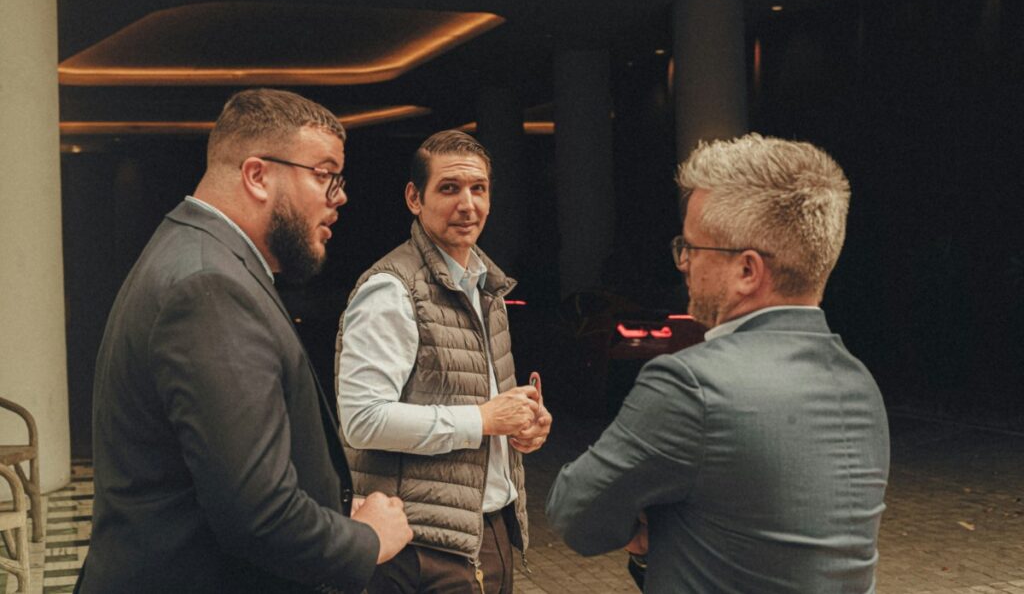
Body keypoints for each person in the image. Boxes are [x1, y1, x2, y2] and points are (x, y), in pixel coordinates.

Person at [78, 89, 412, 594]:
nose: (339, 196)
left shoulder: (198, 254)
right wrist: (366, 538)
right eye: (324, 174)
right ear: (258, 176)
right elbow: (259, 514)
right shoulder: (211, 285)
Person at [546, 134, 890, 593]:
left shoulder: (692, 384)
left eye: (692, 247)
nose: (683, 263)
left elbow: (575, 514)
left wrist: (644, 530)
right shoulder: (860, 384)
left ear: (747, 271)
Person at [335, 129, 552, 593]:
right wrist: (484, 419)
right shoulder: (391, 289)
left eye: (479, 189)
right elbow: (362, 420)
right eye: (449, 188)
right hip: (420, 546)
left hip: (486, 528)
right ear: (415, 198)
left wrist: (523, 427)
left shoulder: (486, 285)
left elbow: (483, 411)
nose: (467, 205)